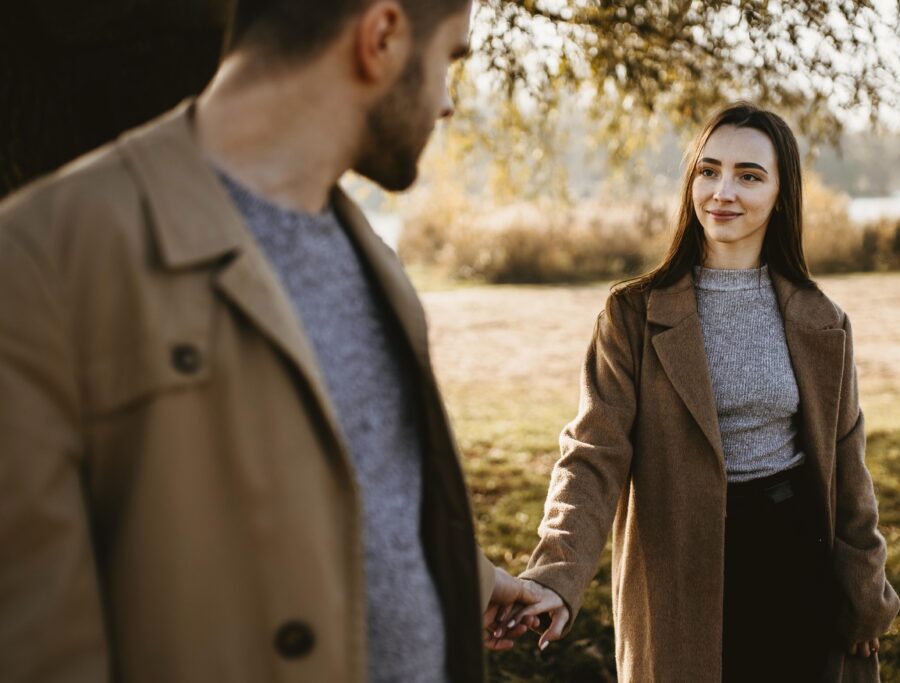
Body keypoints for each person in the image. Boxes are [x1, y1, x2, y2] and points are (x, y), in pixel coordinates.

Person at [0, 1, 545, 680]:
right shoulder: (38, 264)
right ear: (380, 38)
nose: (446, 105)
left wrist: (463, 573)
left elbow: (350, 487)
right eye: (449, 61)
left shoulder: (374, 261)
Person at [503, 103, 900, 681]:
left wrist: (867, 594)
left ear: (781, 194)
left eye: (749, 175)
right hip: (682, 568)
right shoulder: (631, 315)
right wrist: (555, 575)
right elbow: (593, 453)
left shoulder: (823, 320)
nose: (723, 191)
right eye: (708, 171)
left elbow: (847, 469)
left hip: (797, 560)